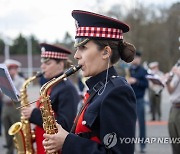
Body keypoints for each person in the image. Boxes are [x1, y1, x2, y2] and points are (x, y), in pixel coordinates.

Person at [42, 10, 137, 154]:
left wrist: (67, 141)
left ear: (105, 52)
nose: (76, 55)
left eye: (83, 48)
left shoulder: (117, 91)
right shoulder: (99, 88)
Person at [21, 43, 80, 154]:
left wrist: (33, 113)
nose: (42, 66)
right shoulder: (51, 85)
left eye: (47, 63)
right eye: (43, 63)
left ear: (61, 65)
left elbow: (65, 124)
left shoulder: (67, 89)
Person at [1, 59, 25, 154]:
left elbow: (19, 94)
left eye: (14, 69)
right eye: (11, 69)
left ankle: (20, 149)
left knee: (18, 130)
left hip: (15, 106)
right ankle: (9, 149)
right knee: (7, 129)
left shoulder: (20, 80)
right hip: (6, 107)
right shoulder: (3, 80)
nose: (12, 71)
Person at [127, 51, 148, 153]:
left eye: (136, 58)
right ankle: (131, 146)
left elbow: (146, 84)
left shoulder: (143, 71)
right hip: (130, 100)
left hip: (139, 99)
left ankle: (143, 145)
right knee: (130, 124)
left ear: (139, 59)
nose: (135, 60)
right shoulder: (129, 70)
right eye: (133, 58)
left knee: (141, 123)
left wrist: (136, 81)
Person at [166, 64, 180, 154]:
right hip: (174, 107)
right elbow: (171, 90)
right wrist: (167, 81)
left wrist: (179, 74)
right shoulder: (178, 66)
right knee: (175, 141)